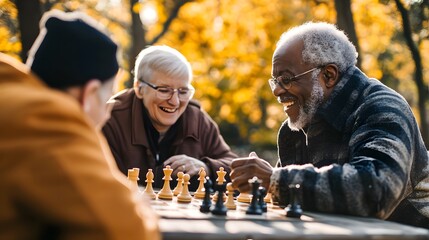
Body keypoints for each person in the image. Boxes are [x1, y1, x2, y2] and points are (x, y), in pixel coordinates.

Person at [230, 21, 429, 229]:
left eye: (287, 79)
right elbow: (295, 203)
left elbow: (376, 190)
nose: (276, 91)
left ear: (328, 75)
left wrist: (275, 180)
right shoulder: (295, 129)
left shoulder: (383, 108)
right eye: (275, 81)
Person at [0, 10, 160, 239]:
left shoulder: (12, 100)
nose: (106, 115)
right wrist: (139, 206)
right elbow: (125, 231)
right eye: (107, 100)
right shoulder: (48, 119)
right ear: (89, 94)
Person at [102, 45, 237, 190]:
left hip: (185, 212)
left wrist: (206, 167)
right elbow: (101, 184)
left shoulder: (197, 120)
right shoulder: (109, 119)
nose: (175, 101)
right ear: (139, 89)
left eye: (183, 91)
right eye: (164, 90)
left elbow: (235, 166)